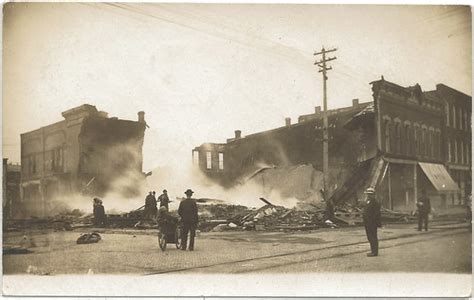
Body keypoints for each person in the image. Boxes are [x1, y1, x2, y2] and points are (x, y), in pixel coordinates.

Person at [362, 187, 381, 257]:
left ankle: (374, 252)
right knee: (370, 237)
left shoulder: (375, 203)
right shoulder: (368, 202)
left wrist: (371, 221)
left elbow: (376, 214)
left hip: (372, 223)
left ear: (373, 195)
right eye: (367, 194)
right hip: (367, 223)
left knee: (373, 237)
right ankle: (373, 250)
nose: (368, 196)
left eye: (370, 194)